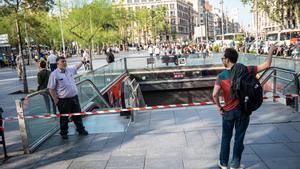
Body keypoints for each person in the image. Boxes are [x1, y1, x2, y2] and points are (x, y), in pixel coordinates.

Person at [212, 46, 277, 169]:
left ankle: (223, 163)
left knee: (226, 137)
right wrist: (270, 51)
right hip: (243, 110)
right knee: (239, 137)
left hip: (228, 112)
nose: (222, 60)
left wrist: (219, 107)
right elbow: (266, 64)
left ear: (227, 59)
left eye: (222, 58)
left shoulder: (221, 76)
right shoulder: (246, 69)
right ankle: (235, 164)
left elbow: (214, 95)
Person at [47, 56, 88, 139]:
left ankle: (80, 129)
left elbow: (76, 67)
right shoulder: (54, 74)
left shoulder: (69, 70)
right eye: (63, 61)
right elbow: (51, 88)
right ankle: (64, 132)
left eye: (65, 61)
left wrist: (82, 62)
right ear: (57, 64)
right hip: (63, 100)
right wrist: (55, 99)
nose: (65, 63)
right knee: (64, 117)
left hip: (74, 97)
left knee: (77, 115)